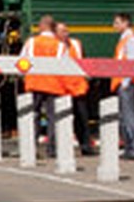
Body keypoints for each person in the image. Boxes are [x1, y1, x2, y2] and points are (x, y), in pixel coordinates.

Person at [20, 14, 66, 156]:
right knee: (53, 118)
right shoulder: (60, 46)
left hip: (34, 84)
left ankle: (30, 148)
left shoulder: (31, 42)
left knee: (33, 115)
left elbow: (22, 62)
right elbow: (65, 66)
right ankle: (52, 149)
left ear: (43, 26)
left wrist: (25, 76)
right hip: (54, 85)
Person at [56, 21, 94, 154]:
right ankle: (62, 148)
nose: (66, 34)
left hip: (78, 87)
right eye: (62, 31)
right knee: (62, 119)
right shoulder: (55, 46)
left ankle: (86, 146)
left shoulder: (76, 44)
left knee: (82, 118)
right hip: (61, 88)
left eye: (66, 31)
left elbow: (83, 60)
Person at [111, 11, 134, 159]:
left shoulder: (131, 40)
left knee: (130, 115)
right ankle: (130, 147)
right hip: (123, 82)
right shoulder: (124, 39)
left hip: (128, 83)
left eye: (117, 23)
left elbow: (132, 63)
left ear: (126, 23)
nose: (114, 26)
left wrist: (125, 82)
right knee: (125, 116)